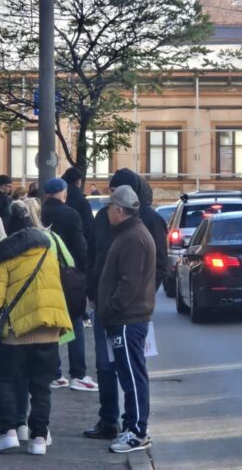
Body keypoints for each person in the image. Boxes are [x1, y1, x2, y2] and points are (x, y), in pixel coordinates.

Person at [83, 168, 168, 442]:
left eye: (114, 193)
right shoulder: (106, 220)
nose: (109, 201)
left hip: (125, 311)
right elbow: (93, 255)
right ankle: (109, 419)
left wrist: (140, 296)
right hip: (106, 306)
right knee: (106, 366)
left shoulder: (145, 223)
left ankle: (134, 428)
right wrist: (93, 293)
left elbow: (154, 267)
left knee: (130, 369)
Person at [0, 221, 73, 456]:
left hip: (16, 333)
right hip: (49, 328)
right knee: (41, 386)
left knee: (5, 381)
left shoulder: (2, 258)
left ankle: (9, 432)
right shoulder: (47, 253)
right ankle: (39, 438)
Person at [98, 185, 155, 453]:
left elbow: (128, 283)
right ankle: (132, 426)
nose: (107, 212)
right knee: (130, 374)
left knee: (132, 376)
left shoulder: (132, 237)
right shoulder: (130, 233)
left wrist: (110, 308)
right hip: (126, 317)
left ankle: (137, 431)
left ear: (119, 210)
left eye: (110, 207)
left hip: (126, 319)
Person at [40, 178, 95, 392]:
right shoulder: (71, 214)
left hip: (44, 276)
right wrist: (84, 272)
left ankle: (55, 374)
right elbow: (80, 246)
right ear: (63, 192)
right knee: (75, 322)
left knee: (51, 325)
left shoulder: (40, 213)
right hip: (68, 276)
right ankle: (78, 374)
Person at [61, 167, 94, 241]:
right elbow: (89, 226)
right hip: (78, 241)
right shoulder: (82, 201)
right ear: (78, 182)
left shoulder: (60, 199)